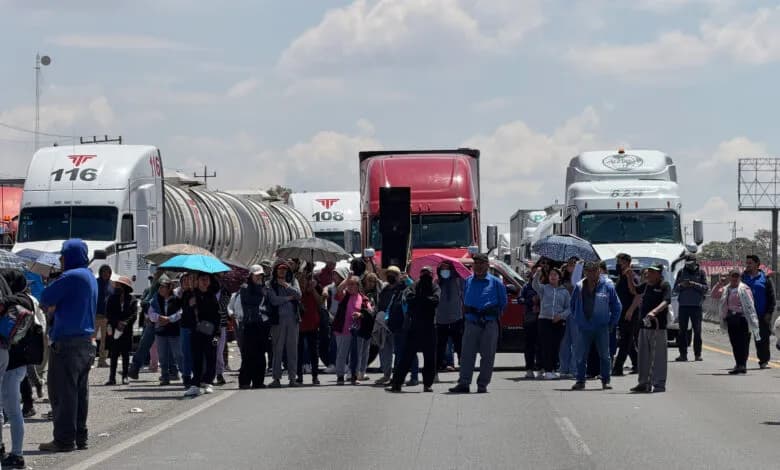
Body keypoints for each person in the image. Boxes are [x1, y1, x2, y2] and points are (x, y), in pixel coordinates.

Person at [38, 238, 98, 452]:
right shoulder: (89, 276)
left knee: (63, 393)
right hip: (85, 342)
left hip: (67, 343)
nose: (61, 260)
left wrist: (51, 280)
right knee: (80, 393)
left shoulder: (70, 277)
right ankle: (80, 437)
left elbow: (45, 297)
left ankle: (64, 440)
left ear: (70, 256)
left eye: (63, 256)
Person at [450, 254, 508, 394]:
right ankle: (464, 383)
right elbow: (464, 299)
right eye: (476, 263)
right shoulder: (468, 281)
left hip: (489, 323)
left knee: (487, 355)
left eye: (482, 263)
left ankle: (482, 384)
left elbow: (503, 303)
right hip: (471, 322)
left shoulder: (496, 283)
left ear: (487, 265)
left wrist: (490, 315)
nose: (479, 266)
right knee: (466, 355)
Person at [0, 269, 40, 468]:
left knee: (9, 410)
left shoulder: (16, 302)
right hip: (18, 363)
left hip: (11, 364)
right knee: (13, 410)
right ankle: (16, 454)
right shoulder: (27, 301)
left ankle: (14, 454)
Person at [570, 261, 621, 391]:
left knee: (604, 355)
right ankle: (580, 381)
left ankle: (605, 381)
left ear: (599, 271)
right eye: (589, 270)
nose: (592, 273)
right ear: (585, 272)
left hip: (602, 327)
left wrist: (612, 322)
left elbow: (617, 306)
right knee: (581, 355)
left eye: (594, 270)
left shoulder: (608, 285)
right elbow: (572, 305)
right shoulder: (579, 286)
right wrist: (578, 320)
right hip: (584, 327)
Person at [388, 266, 440, 392]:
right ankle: (397, 383)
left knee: (430, 357)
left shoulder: (435, 287)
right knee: (406, 356)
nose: (425, 277)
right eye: (423, 274)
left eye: (428, 274)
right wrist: (423, 300)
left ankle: (427, 384)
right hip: (414, 326)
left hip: (429, 326)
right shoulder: (414, 286)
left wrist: (420, 300)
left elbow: (435, 301)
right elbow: (409, 299)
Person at [628, 264, 671, 393]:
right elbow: (634, 291)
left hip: (658, 326)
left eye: (652, 272)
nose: (649, 274)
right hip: (644, 326)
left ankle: (659, 384)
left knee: (658, 357)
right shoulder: (646, 285)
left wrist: (654, 312)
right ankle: (643, 383)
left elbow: (666, 301)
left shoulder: (664, 285)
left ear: (659, 274)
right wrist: (629, 277)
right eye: (649, 271)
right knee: (643, 356)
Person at [712, 270, 760, 374]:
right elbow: (714, 294)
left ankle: (742, 365)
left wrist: (752, 319)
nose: (734, 278)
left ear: (740, 277)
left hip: (743, 318)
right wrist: (720, 283)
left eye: (737, 276)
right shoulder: (726, 289)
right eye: (733, 276)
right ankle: (738, 364)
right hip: (731, 318)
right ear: (729, 277)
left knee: (744, 343)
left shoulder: (744, 289)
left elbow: (750, 304)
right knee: (735, 343)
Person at [231, 266, 271, 389]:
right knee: (248, 354)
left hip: (262, 324)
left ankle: (258, 381)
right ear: (251, 275)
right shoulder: (245, 287)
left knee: (260, 354)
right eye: (256, 275)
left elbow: (268, 303)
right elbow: (251, 300)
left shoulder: (264, 287)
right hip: (249, 324)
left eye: (260, 275)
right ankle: (244, 381)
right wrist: (261, 291)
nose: (259, 277)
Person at [184, 273, 221, 398]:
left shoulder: (212, 295)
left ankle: (208, 382)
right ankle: (195, 384)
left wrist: (217, 333)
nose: (205, 282)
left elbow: (217, 316)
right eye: (202, 279)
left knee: (211, 356)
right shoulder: (191, 295)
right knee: (196, 357)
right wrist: (190, 305)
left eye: (207, 280)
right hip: (196, 332)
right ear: (198, 281)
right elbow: (186, 315)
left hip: (212, 333)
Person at [267, 260, 302, 388]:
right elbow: (274, 300)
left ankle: (292, 378)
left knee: (292, 350)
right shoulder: (270, 284)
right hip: (278, 322)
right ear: (276, 271)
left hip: (293, 320)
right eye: (280, 269)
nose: (282, 271)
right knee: (277, 349)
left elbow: (298, 295)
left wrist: (287, 286)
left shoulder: (293, 281)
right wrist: (288, 298)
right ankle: (276, 378)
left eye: (285, 269)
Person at [532, 266, 571, 379]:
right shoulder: (544, 288)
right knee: (546, 345)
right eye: (551, 275)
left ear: (559, 277)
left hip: (558, 322)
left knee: (556, 346)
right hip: (544, 320)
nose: (552, 277)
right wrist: (538, 274)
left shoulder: (564, 292)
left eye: (555, 275)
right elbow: (535, 285)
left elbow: (569, 308)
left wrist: (561, 316)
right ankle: (547, 370)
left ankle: (553, 369)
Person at [148, 275, 184, 386]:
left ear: (169, 288)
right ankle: (165, 377)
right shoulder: (155, 300)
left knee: (178, 355)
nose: (161, 289)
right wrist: (159, 317)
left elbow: (181, 312)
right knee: (162, 356)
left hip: (174, 332)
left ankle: (186, 375)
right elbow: (150, 313)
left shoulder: (176, 299)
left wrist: (169, 319)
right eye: (160, 287)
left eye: (163, 287)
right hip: (160, 331)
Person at [742, 255, 775, 369]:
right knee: (743, 340)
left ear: (757, 264)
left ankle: (763, 361)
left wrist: (769, 313)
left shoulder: (765, 278)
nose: (747, 265)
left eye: (750, 263)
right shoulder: (742, 278)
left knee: (762, 339)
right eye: (747, 263)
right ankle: (741, 362)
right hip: (745, 315)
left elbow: (771, 298)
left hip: (761, 315)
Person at [673, 254, 709, 362]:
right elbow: (675, 289)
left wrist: (694, 284)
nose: (689, 265)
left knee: (697, 331)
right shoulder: (681, 272)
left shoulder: (701, 273)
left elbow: (705, 288)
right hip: (683, 306)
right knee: (682, 331)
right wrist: (682, 285)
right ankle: (683, 355)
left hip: (696, 306)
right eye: (687, 263)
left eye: (691, 263)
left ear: (695, 262)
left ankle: (698, 354)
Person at [373, 266, 405, 385]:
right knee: (384, 350)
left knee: (398, 351)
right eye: (389, 274)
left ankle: (397, 376)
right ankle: (386, 374)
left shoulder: (402, 289)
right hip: (383, 324)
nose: (390, 276)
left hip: (397, 324)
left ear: (398, 276)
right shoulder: (385, 289)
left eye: (393, 274)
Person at [104, 276, 137, 386]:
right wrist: (116, 322)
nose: (116, 287)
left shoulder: (132, 299)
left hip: (126, 330)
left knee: (125, 354)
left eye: (119, 285)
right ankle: (111, 377)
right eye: (116, 285)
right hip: (114, 329)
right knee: (113, 354)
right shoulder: (111, 298)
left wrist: (125, 323)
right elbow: (108, 313)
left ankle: (125, 376)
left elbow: (134, 315)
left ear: (125, 287)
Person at [331, 276, 365, 385]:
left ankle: (353, 375)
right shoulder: (344, 295)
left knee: (356, 354)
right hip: (342, 330)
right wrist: (348, 278)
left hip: (356, 330)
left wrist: (360, 314)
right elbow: (339, 289)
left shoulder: (362, 298)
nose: (349, 286)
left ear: (358, 286)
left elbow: (369, 311)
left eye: (352, 284)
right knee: (342, 353)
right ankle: (340, 376)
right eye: (348, 284)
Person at [613, 253, 639, 376]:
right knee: (629, 341)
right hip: (622, 313)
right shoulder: (620, 277)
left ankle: (618, 367)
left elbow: (636, 294)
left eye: (620, 262)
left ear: (627, 263)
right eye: (617, 262)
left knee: (625, 341)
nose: (618, 264)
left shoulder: (632, 275)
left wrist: (630, 310)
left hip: (630, 313)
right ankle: (638, 363)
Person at [435, 261, 464, 372]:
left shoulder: (458, 280)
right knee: (440, 346)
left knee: (459, 345)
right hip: (441, 319)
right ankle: (437, 368)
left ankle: (463, 369)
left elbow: (464, 294)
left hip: (456, 318)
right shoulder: (437, 282)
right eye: (442, 269)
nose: (445, 271)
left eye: (447, 268)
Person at [352, 274, 379, 382]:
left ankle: (362, 372)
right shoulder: (360, 293)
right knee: (357, 351)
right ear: (365, 281)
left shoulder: (375, 294)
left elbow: (374, 309)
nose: (371, 283)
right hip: (359, 323)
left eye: (374, 281)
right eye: (369, 281)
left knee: (365, 352)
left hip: (369, 324)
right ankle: (354, 373)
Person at [297, 274, 321, 385]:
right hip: (299, 326)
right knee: (299, 352)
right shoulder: (297, 292)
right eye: (301, 281)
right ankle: (299, 376)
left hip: (312, 325)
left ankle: (315, 376)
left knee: (314, 352)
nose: (303, 283)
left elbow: (320, 302)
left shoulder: (312, 291)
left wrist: (313, 289)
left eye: (305, 281)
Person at [176, 273, 196, 388]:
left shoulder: (198, 293)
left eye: (189, 280)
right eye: (184, 281)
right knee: (186, 353)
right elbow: (179, 309)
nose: (187, 282)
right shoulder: (183, 294)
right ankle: (187, 376)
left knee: (196, 353)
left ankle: (197, 376)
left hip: (197, 327)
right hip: (185, 326)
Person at [520, 268, 540, 378]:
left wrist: (539, 302)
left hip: (542, 318)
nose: (536, 274)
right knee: (529, 345)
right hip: (529, 318)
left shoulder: (545, 285)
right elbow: (520, 299)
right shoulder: (526, 287)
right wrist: (530, 301)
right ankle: (529, 368)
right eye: (534, 272)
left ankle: (541, 368)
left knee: (541, 344)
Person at [94, 265, 113, 368]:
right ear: (100, 272)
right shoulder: (95, 282)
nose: (106, 274)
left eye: (108, 272)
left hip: (107, 317)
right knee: (92, 338)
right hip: (96, 315)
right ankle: (90, 359)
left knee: (105, 340)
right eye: (104, 271)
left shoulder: (111, 284)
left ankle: (102, 360)